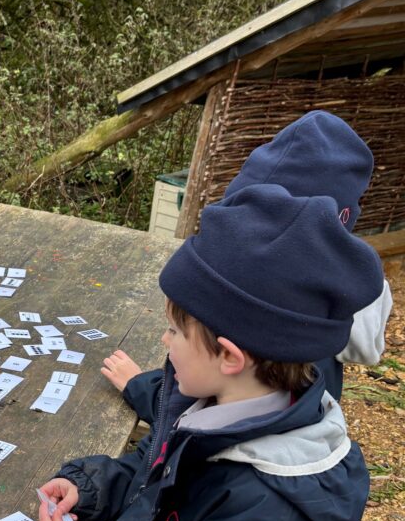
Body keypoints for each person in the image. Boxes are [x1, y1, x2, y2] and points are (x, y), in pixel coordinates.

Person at [33, 183, 384, 521]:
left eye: (174, 330)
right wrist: (92, 488)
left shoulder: (271, 516)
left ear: (229, 355)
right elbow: (162, 475)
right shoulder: (223, 411)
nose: (164, 342)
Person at [103, 110, 392, 400]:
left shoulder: (278, 336)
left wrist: (140, 388)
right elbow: (200, 399)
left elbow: (202, 405)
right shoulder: (311, 317)